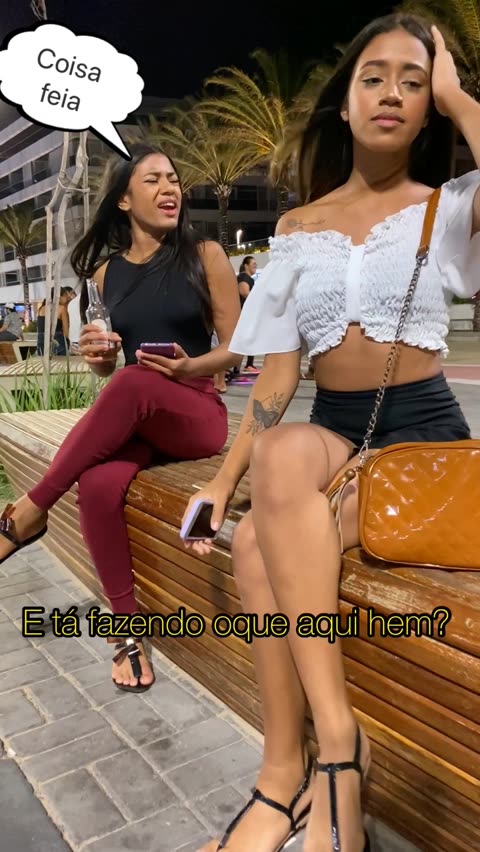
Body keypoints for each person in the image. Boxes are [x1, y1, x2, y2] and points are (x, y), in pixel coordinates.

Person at [182, 15, 480, 852]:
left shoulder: (446, 209)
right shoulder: (296, 228)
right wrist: (220, 483)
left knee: (255, 548)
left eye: (413, 82)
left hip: (422, 439)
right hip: (335, 433)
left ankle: (298, 769)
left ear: (428, 109)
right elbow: (278, 379)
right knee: (277, 453)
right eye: (373, 77)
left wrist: (461, 98)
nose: (393, 93)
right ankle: (326, 750)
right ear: (343, 104)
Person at [0, 143, 241, 693]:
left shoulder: (204, 254)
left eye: (173, 178)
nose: (170, 188)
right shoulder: (107, 274)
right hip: (139, 413)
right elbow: (111, 369)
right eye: (153, 180)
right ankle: (126, 633)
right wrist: (99, 358)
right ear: (125, 200)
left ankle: (29, 512)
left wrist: (189, 367)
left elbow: (237, 348)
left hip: (196, 411)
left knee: (134, 382)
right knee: (97, 484)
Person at [36, 287, 76, 356]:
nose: (67, 297)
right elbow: (66, 332)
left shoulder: (41, 308)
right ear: (59, 297)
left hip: (42, 342)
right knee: (61, 362)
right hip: (58, 341)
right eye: (65, 295)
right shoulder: (61, 308)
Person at [237, 255, 258, 372]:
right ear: (246, 265)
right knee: (245, 339)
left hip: (246, 313)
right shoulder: (244, 277)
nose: (255, 265)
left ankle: (247, 365)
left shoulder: (248, 278)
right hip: (242, 314)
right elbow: (244, 292)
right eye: (253, 264)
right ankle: (244, 366)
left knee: (249, 338)